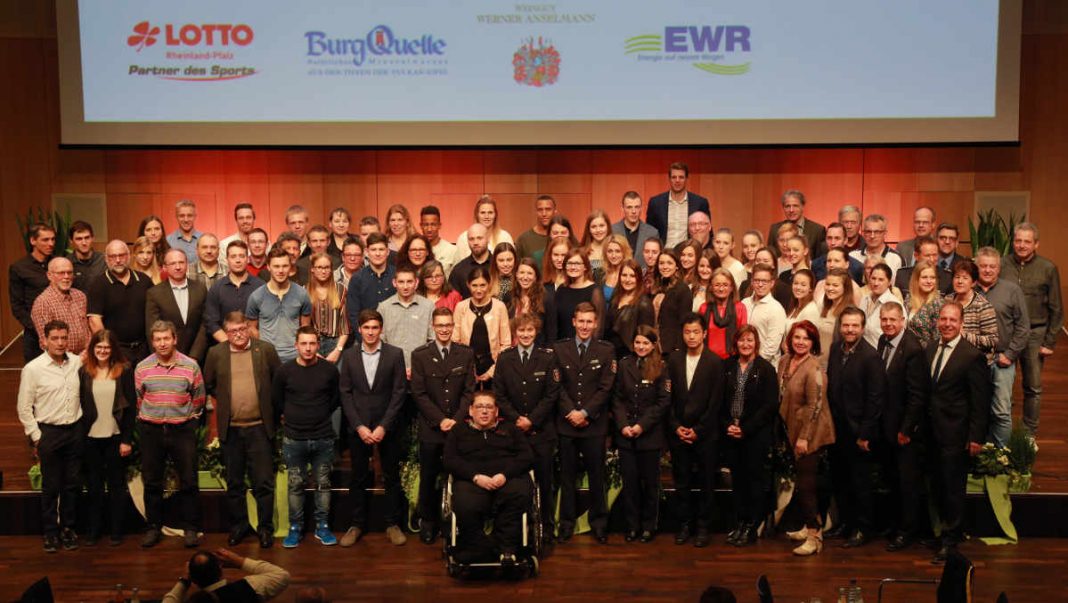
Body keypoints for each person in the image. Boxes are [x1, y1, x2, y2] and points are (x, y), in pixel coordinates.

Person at [203, 312, 282, 549]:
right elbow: (210, 384)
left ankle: (265, 528)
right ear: (226, 333)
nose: (238, 334)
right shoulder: (215, 354)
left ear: (248, 328)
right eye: (232, 331)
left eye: (241, 329)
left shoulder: (265, 350)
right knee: (235, 483)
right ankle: (239, 526)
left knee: (263, 483)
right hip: (232, 429)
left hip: (260, 427)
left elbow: (278, 381)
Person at [338, 309, 409, 547]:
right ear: (359, 329)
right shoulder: (348, 356)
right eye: (366, 328)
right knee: (357, 477)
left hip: (386, 427)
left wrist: (383, 426)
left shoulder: (394, 354)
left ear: (381, 329)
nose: (370, 332)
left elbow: (399, 393)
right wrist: (358, 426)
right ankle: (356, 524)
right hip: (359, 428)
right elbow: (345, 393)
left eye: (375, 328)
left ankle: (392, 524)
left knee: (391, 476)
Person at [927, 302, 991, 563]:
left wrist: (976, 437)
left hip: (956, 434)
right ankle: (941, 531)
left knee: (953, 488)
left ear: (962, 323)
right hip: (931, 433)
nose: (947, 324)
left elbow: (980, 402)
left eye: (953, 320)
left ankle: (951, 541)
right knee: (938, 486)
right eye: (943, 319)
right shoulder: (930, 348)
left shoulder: (971, 355)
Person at [135, 320, 206, 549]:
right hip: (151, 430)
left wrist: (189, 420)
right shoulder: (142, 368)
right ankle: (153, 528)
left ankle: (191, 528)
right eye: (158, 339)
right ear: (152, 342)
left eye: (166, 338)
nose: (162, 343)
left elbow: (199, 398)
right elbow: (139, 398)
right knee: (152, 482)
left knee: (188, 481)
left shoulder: (191, 366)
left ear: (175, 339)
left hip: (182, 429)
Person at [443, 390, 534, 564]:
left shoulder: (511, 430)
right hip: (473, 481)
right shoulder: (458, 431)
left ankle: (507, 550)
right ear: (470, 410)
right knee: (465, 503)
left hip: (506, 480)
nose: (484, 411)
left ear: (496, 412)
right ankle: (481, 549)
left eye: (489, 407)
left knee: (518, 494)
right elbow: (450, 460)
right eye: (479, 407)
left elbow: (526, 457)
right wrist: (476, 477)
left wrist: (504, 475)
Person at [410, 307, 476, 544]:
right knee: (429, 477)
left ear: (453, 326)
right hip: (431, 428)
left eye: (448, 325)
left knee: (457, 477)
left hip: (458, 428)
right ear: (433, 327)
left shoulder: (465, 354)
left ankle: (453, 524)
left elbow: (469, 392)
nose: (444, 329)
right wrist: (440, 420)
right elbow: (418, 393)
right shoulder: (420, 355)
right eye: (440, 325)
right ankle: (428, 522)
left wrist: (455, 420)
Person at [17, 320, 83, 553]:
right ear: (44, 340)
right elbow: (24, 408)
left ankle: (68, 529)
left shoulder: (76, 362)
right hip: (49, 433)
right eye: (54, 338)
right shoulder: (33, 369)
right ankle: (50, 532)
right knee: (51, 485)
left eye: (63, 338)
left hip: (74, 431)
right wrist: (37, 437)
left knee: (72, 484)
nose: (60, 342)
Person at [494, 312, 561, 540]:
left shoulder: (548, 358)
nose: (525, 334)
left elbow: (552, 395)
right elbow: (499, 396)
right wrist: (517, 420)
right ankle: (514, 527)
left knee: (545, 480)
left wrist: (532, 420)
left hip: (541, 432)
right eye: (521, 330)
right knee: (515, 483)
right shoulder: (505, 358)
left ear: (536, 332)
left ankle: (547, 527)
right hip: (513, 433)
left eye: (530, 330)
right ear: (515, 332)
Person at [553, 302, 615, 544]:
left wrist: (586, 413)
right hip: (567, 423)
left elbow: (606, 387)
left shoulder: (606, 350)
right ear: (573, 322)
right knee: (567, 477)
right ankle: (566, 524)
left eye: (590, 321)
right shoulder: (560, 349)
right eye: (581, 321)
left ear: (596, 323)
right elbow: (556, 386)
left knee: (596, 476)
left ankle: (599, 523)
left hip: (594, 424)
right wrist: (572, 412)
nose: (585, 326)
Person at [274, 327, 341, 549]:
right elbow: (277, 401)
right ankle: (295, 528)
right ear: (296, 345)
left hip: (323, 437)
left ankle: (322, 527)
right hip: (294, 438)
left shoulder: (329, 371)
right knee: (295, 486)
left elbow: (335, 399)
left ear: (318, 344)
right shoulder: (285, 371)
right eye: (304, 343)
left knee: (323, 484)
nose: (308, 348)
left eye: (312, 343)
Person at [825, 307, 886, 549]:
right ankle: (846, 523)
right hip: (836, 428)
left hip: (858, 431)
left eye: (854, 326)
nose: (849, 330)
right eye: (846, 325)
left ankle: (862, 528)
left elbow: (876, 398)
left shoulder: (870, 356)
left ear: (862, 328)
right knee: (840, 479)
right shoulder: (835, 349)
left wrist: (865, 434)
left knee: (860, 482)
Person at [666, 313, 723, 548]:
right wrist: (676, 426)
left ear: (704, 334)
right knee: (682, 482)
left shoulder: (715, 362)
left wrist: (698, 430)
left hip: (705, 434)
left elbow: (716, 402)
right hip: (678, 431)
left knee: (707, 482)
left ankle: (703, 527)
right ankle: (684, 525)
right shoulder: (674, 360)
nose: (691, 336)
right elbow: (666, 399)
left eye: (696, 332)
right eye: (687, 332)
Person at [1000, 222, 1064, 437]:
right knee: (1003, 387)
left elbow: (1056, 307)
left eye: (1027, 241)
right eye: (1018, 240)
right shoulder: (1002, 264)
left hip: (1035, 334)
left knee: (1033, 387)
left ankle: (1028, 436)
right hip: (1007, 333)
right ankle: (1004, 433)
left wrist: (1049, 342)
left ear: (1036, 244)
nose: (1022, 245)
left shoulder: (1048, 268)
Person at [779, 319, 835, 556]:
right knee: (802, 485)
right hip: (791, 430)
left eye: (806, 338)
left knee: (806, 486)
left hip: (810, 434)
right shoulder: (784, 361)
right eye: (797, 337)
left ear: (813, 343)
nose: (801, 342)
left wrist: (804, 438)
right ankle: (807, 526)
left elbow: (815, 406)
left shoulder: (814, 368)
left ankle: (815, 535)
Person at [878, 301, 930, 552]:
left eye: (892, 320)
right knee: (893, 480)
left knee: (908, 483)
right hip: (886, 427)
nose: (888, 324)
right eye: (884, 319)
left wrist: (906, 430)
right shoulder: (882, 342)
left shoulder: (912, 349)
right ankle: (895, 524)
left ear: (902, 321)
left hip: (904, 431)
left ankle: (908, 530)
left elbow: (917, 395)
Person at [78, 328, 135, 547]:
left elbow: (130, 409)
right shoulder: (84, 371)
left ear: (113, 349)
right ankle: (94, 531)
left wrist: (126, 440)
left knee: (116, 486)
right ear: (93, 349)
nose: (102, 350)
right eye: (98, 347)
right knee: (93, 486)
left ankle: (116, 531)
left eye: (107, 347)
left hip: (115, 437)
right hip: (91, 438)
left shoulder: (124, 371)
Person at [721, 326, 778, 546]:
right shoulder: (727, 366)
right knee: (738, 481)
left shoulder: (766, 369)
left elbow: (770, 405)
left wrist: (745, 428)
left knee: (754, 481)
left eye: (750, 340)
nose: (746, 344)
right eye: (742, 340)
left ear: (756, 343)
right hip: (731, 433)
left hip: (755, 435)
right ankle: (740, 523)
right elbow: (719, 401)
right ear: (736, 343)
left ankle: (752, 526)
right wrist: (728, 425)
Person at [612, 325, 670, 543]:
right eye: (637, 342)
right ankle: (632, 525)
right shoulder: (625, 364)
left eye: (645, 343)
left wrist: (641, 426)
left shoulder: (661, 367)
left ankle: (648, 526)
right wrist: (623, 425)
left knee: (650, 484)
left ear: (653, 345)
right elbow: (617, 398)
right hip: (626, 434)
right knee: (630, 484)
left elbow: (663, 402)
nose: (641, 346)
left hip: (649, 436)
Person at [974, 247, 1031, 447]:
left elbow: (1023, 327)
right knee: (976, 409)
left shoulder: (1012, 290)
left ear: (999, 268)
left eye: (992, 266)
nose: (987, 270)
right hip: (974, 361)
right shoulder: (968, 290)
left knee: (1001, 411)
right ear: (976, 267)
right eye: (983, 266)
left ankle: (1001, 458)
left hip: (1002, 360)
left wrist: (1010, 354)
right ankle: (978, 456)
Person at [87, 240, 154, 363]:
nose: (118, 260)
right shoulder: (98, 284)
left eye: (121, 255)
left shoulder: (144, 281)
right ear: (106, 259)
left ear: (128, 256)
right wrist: (107, 348)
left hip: (145, 349)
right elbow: (94, 320)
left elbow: (154, 315)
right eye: (113, 256)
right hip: (115, 350)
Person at [245, 248, 312, 363]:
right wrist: (262, 349)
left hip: (295, 357)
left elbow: (305, 327)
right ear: (268, 267)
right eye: (276, 266)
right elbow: (251, 328)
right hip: (266, 357)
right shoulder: (256, 296)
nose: (281, 270)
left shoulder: (302, 294)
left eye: (285, 266)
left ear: (290, 267)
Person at [145, 248, 209, 363]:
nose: (178, 267)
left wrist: (195, 356)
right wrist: (165, 357)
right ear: (165, 267)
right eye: (173, 263)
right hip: (167, 358)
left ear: (187, 265)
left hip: (198, 358)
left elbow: (205, 324)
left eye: (181, 262)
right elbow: (152, 329)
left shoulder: (200, 289)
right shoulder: (154, 293)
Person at [162, 548, 290, 603]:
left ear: (193, 579)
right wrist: (239, 561)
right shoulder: (249, 588)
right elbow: (281, 575)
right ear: (220, 568)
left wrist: (183, 582)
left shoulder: (195, 601)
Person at [453, 266, 512, 384]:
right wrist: (468, 369)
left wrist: (491, 372)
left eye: (482, 285)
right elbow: (455, 341)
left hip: (494, 366)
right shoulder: (461, 307)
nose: (478, 290)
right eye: (474, 285)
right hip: (467, 368)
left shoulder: (499, 307)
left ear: (489, 284)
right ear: (468, 285)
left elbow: (506, 344)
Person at [9, 222, 55, 361]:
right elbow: (17, 306)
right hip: (34, 335)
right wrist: (39, 328)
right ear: (33, 240)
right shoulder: (19, 268)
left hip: (61, 332)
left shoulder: (58, 263)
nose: (51, 243)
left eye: (53, 239)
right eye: (45, 240)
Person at [205, 240, 264, 344]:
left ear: (247, 259)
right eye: (233, 256)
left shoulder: (261, 287)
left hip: (256, 346)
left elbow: (267, 320)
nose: (238, 260)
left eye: (241, 256)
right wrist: (231, 343)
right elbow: (211, 323)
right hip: (226, 346)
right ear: (227, 259)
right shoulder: (216, 288)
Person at [378, 264, 434, 370]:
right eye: (401, 282)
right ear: (394, 283)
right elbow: (380, 341)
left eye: (409, 281)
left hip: (421, 367)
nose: (405, 286)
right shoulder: (384, 308)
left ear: (416, 283)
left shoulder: (428, 306)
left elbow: (433, 340)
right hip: (392, 367)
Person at [31, 257, 91, 355]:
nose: (66, 276)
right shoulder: (43, 303)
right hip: (62, 363)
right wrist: (74, 360)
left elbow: (89, 329)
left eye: (69, 272)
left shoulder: (80, 296)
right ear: (49, 275)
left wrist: (88, 352)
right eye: (61, 273)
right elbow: (46, 343)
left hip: (86, 358)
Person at [946, 259, 1000, 364]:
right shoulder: (947, 301)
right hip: (950, 361)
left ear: (973, 282)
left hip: (975, 363)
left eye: (965, 278)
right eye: (957, 277)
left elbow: (992, 340)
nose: (960, 281)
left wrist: (963, 336)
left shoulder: (983, 306)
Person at [646, 162, 711, 247]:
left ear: (686, 179)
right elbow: (649, 232)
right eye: (674, 177)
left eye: (681, 177)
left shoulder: (700, 203)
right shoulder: (655, 203)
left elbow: (708, 232)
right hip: (664, 255)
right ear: (669, 179)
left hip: (689, 255)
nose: (677, 180)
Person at [345, 232, 395, 339]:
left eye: (381, 249)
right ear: (366, 252)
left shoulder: (397, 276)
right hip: (365, 338)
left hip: (394, 335)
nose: (377, 254)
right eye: (373, 250)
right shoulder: (357, 279)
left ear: (388, 252)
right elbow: (353, 314)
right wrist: (364, 338)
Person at [604, 259, 655, 359]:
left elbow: (645, 339)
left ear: (639, 278)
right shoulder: (615, 296)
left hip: (629, 357)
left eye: (632, 276)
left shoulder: (644, 304)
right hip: (611, 354)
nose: (627, 280)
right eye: (624, 275)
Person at [554, 249, 608, 341]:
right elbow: (556, 322)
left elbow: (598, 328)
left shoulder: (595, 291)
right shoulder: (561, 289)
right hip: (562, 347)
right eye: (569, 263)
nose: (573, 267)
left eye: (577, 263)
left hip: (585, 349)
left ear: (585, 267)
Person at [306, 252, 350, 363]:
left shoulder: (341, 289)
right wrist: (313, 351)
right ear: (312, 269)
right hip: (312, 343)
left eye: (327, 267)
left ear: (331, 269)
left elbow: (344, 326)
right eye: (319, 267)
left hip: (336, 343)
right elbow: (302, 326)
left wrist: (338, 350)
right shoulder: (304, 291)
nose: (323, 271)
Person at [742, 263, 787, 364]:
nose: (760, 284)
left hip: (764, 366)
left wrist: (752, 363)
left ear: (772, 283)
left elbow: (771, 346)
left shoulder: (776, 309)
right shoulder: (744, 303)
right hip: (743, 361)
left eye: (764, 281)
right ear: (752, 282)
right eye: (757, 280)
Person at [700, 268, 748, 359]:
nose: (721, 289)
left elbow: (743, 336)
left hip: (733, 359)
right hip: (708, 359)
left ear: (731, 287)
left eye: (725, 285)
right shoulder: (704, 308)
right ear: (711, 287)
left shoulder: (740, 308)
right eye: (717, 285)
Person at [508, 258, 557, 346]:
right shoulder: (509, 296)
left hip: (538, 352)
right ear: (516, 275)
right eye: (522, 272)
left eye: (529, 273)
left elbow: (551, 332)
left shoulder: (546, 299)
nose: (525, 277)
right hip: (513, 351)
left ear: (535, 277)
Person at [653, 249, 693, 356]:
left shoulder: (683, 290)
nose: (665, 266)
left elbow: (685, 322)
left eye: (669, 263)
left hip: (673, 348)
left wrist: (678, 348)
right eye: (661, 263)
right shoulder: (658, 286)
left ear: (677, 266)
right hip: (655, 345)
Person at [768, 190, 827, 259]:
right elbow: (770, 257)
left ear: (802, 207)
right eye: (787, 206)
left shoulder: (817, 230)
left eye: (795, 206)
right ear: (783, 208)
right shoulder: (775, 229)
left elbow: (820, 261)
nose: (791, 210)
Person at [815, 268, 855, 369]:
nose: (830, 288)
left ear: (845, 288)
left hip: (835, 366)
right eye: (828, 284)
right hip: (818, 363)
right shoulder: (824, 306)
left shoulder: (849, 312)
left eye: (835, 285)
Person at [454, 195, 514, 259]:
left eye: (490, 212)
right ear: (477, 215)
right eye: (482, 213)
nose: (486, 216)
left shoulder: (505, 237)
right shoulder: (464, 238)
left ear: (495, 215)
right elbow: (460, 265)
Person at [612, 191, 660, 269]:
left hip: (644, 278)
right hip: (619, 278)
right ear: (622, 209)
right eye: (629, 207)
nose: (634, 211)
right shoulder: (612, 231)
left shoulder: (652, 233)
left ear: (641, 208)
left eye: (637, 207)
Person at [849, 213, 903, 282]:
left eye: (877, 232)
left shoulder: (895, 258)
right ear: (863, 233)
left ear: (885, 233)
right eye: (868, 231)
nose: (872, 236)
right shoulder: (853, 256)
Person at [858, 263, 901, 347]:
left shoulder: (894, 304)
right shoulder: (864, 299)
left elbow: (898, 339)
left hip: (881, 354)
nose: (876, 283)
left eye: (881, 280)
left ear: (889, 282)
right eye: (873, 278)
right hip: (862, 353)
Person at [906, 260, 946, 347]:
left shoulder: (938, 303)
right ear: (916, 279)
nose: (929, 281)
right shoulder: (908, 298)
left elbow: (938, 339)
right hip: (906, 353)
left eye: (932, 277)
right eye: (924, 277)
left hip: (925, 354)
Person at [449, 223, 493, 298]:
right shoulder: (459, 270)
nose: (475, 242)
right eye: (471, 239)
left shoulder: (498, 265)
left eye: (479, 238)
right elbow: (452, 301)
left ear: (488, 239)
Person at [783, 269, 820, 350]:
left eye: (803, 285)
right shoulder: (795, 306)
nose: (798, 287)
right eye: (795, 283)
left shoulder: (811, 311)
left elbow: (809, 343)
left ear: (810, 288)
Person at [515, 194, 557, 260]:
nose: (544, 214)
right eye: (540, 210)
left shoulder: (563, 236)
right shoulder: (524, 239)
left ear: (555, 211)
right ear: (536, 212)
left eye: (548, 209)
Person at [67, 220, 105, 292]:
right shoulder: (67, 263)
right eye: (79, 239)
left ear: (92, 238)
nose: (84, 243)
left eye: (87, 238)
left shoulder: (103, 260)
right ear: (71, 241)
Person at [419, 205, 457, 277]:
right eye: (426, 225)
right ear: (421, 226)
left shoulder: (452, 250)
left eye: (433, 224)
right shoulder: (416, 252)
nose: (429, 229)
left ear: (439, 225)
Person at [601, 235, 631, 301]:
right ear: (605, 253)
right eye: (610, 251)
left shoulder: (631, 274)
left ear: (624, 253)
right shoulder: (599, 273)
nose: (613, 256)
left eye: (617, 251)